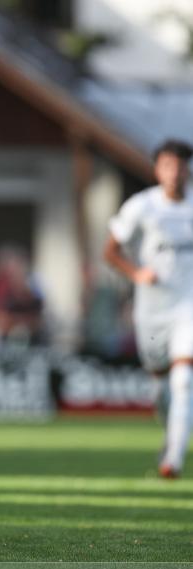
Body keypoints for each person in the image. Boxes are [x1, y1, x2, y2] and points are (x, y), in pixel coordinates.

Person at [104, 139, 193, 479]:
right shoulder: (142, 206)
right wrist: (137, 273)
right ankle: (170, 432)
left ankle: (173, 460)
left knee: (184, 379)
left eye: (181, 166)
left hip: (188, 307)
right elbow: (110, 251)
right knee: (163, 389)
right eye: (168, 165)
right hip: (152, 311)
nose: (175, 173)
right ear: (158, 169)